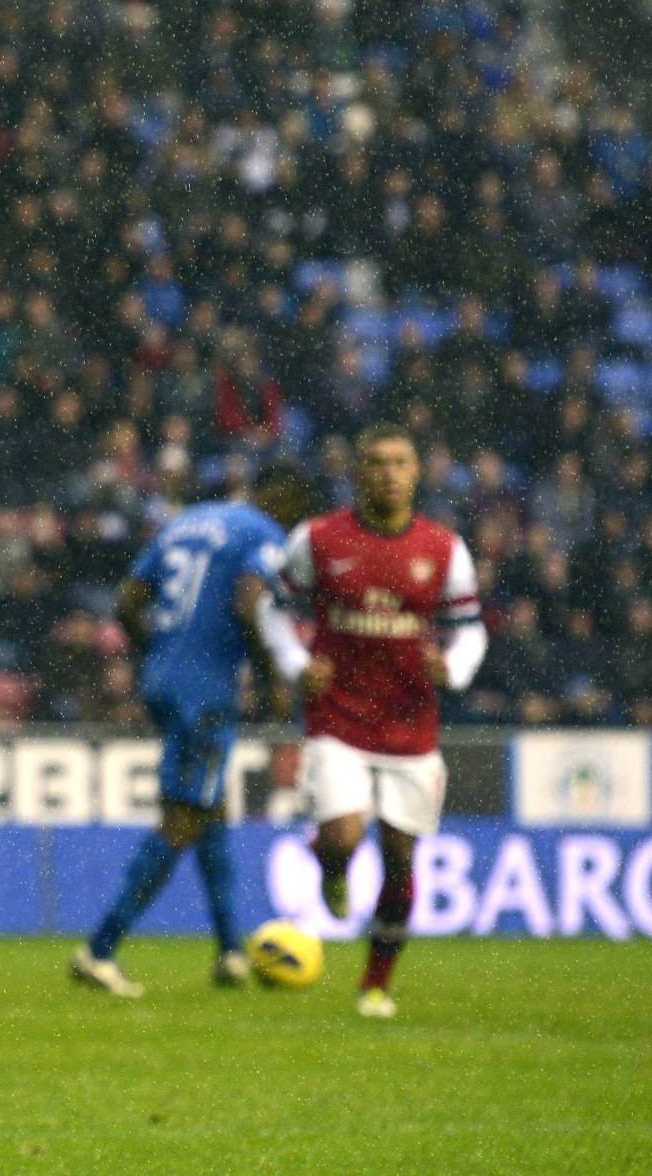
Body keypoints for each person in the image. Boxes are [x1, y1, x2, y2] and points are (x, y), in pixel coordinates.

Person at [71, 462, 316, 998]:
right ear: (292, 506)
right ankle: (99, 950)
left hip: (163, 679)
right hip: (206, 689)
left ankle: (230, 951)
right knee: (181, 820)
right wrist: (272, 677)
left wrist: (157, 656)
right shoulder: (265, 535)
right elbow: (249, 600)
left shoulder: (187, 521)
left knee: (210, 811)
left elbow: (126, 603)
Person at [271, 425, 489, 1018]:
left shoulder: (444, 549)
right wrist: (296, 662)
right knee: (344, 833)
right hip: (337, 718)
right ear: (357, 473)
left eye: (400, 462)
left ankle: (374, 985)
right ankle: (332, 866)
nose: (389, 473)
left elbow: (470, 628)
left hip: (411, 727)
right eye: (377, 463)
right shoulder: (317, 539)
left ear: (417, 473)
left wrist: (456, 668)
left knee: (400, 858)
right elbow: (276, 609)